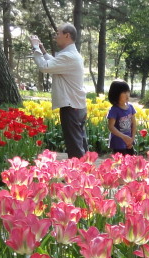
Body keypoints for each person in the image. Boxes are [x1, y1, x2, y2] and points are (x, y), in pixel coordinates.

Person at [30, 23, 87, 159]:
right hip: (76, 105)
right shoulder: (70, 55)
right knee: (80, 144)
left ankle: (78, 176)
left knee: (75, 147)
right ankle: (85, 174)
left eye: (58, 33)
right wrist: (43, 52)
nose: (55, 37)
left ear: (67, 35)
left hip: (71, 106)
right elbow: (56, 63)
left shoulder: (69, 56)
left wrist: (35, 47)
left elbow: (44, 66)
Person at [106, 79, 136, 156]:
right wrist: (123, 137)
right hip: (118, 143)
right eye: (124, 92)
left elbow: (134, 124)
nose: (127, 94)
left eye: (128, 91)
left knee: (132, 162)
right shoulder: (114, 110)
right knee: (121, 164)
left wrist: (132, 138)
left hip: (129, 142)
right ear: (116, 94)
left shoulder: (131, 107)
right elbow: (111, 127)